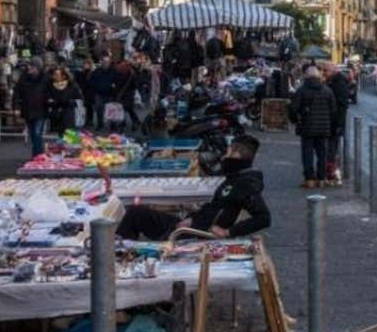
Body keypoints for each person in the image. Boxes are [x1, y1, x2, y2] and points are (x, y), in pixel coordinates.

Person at [117, 135, 270, 240]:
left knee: (136, 216)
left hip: (194, 236)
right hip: (191, 225)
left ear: (236, 155)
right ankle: (118, 252)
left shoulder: (245, 184)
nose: (224, 157)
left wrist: (229, 232)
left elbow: (264, 218)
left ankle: (116, 259)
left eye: (228, 152)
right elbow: (212, 209)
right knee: (136, 213)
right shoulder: (235, 178)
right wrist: (192, 219)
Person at [288, 66, 337, 189]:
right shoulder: (327, 90)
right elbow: (333, 111)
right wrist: (331, 126)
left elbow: (293, 109)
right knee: (322, 155)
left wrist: (295, 120)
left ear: (306, 76)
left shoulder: (301, 90)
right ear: (318, 76)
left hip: (307, 127)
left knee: (307, 154)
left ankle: (309, 179)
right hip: (324, 128)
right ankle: (321, 179)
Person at [14, 57, 49, 157]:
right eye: (29, 65)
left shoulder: (45, 78)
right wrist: (16, 107)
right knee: (33, 135)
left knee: (37, 134)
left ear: (37, 67)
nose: (29, 67)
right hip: (28, 111)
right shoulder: (24, 76)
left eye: (31, 66)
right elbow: (16, 93)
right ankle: (38, 155)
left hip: (40, 111)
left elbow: (51, 91)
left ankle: (37, 157)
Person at [322, 62, 349, 186]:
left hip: (335, 122)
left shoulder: (339, 83)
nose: (324, 73)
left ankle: (332, 174)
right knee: (331, 149)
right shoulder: (334, 81)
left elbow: (342, 104)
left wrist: (338, 123)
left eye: (325, 71)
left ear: (332, 71)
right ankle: (330, 173)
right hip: (333, 121)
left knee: (331, 149)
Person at [47, 66, 83, 136]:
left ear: (63, 76)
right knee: (60, 138)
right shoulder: (51, 85)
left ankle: (71, 145)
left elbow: (80, 100)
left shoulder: (72, 85)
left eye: (57, 75)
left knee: (70, 138)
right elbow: (49, 99)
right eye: (54, 74)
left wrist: (69, 101)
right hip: (57, 115)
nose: (54, 76)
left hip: (69, 114)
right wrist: (52, 102)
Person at [112, 55, 141, 132]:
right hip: (129, 92)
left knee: (125, 109)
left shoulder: (118, 69)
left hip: (123, 92)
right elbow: (135, 83)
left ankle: (124, 125)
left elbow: (116, 82)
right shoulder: (131, 70)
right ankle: (135, 123)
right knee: (129, 109)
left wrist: (116, 92)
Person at [90, 55, 114, 131]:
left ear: (109, 62)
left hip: (110, 93)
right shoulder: (97, 71)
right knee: (99, 110)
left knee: (111, 110)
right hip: (99, 93)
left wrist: (114, 86)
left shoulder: (113, 71)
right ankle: (100, 124)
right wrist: (96, 87)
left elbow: (117, 80)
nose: (106, 63)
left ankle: (112, 126)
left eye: (107, 62)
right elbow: (91, 80)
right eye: (104, 61)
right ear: (102, 62)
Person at [75, 59, 95, 127]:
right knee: (84, 107)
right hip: (83, 92)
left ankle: (90, 121)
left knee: (89, 107)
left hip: (89, 92)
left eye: (87, 64)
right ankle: (84, 121)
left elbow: (91, 83)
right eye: (84, 64)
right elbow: (78, 82)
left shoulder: (92, 73)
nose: (85, 65)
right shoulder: (80, 73)